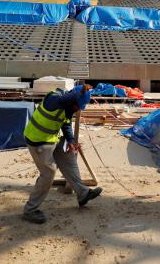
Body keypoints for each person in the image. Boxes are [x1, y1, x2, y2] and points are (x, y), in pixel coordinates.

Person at [22, 84, 102, 224]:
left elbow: (65, 124)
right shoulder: (54, 98)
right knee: (49, 173)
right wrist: (81, 92)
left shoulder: (69, 107)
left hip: (51, 138)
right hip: (37, 141)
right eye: (77, 106)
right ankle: (30, 210)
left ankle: (82, 193)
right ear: (73, 99)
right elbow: (63, 100)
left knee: (68, 156)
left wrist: (70, 140)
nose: (77, 109)